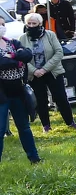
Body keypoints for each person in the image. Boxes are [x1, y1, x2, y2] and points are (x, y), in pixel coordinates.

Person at [22, 14, 76, 132]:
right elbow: (22, 58)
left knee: (61, 98)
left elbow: (59, 52)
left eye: (34, 23)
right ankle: (46, 126)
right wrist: (35, 71)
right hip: (35, 74)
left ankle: (70, 122)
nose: (31, 26)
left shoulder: (50, 35)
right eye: (29, 24)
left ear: (40, 24)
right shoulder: (22, 38)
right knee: (40, 100)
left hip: (53, 71)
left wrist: (44, 69)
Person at [0, 31, 39, 165]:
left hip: (18, 92)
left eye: (2, 24)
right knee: (0, 130)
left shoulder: (13, 43)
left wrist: (11, 55)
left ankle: (34, 158)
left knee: (24, 127)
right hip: (1, 95)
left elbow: (27, 55)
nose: (1, 27)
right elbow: (1, 63)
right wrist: (17, 61)